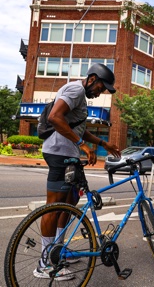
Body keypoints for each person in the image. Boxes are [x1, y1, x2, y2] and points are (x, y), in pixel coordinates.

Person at [34, 63, 121, 280]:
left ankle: (59, 251)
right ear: (92, 78)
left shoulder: (80, 96)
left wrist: (103, 143)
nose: (101, 92)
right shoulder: (75, 90)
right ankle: (45, 263)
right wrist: (82, 144)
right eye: (101, 87)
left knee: (69, 203)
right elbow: (55, 117)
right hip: (58, 153)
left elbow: (77, 127)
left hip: (68, 154)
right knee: (54, 207)